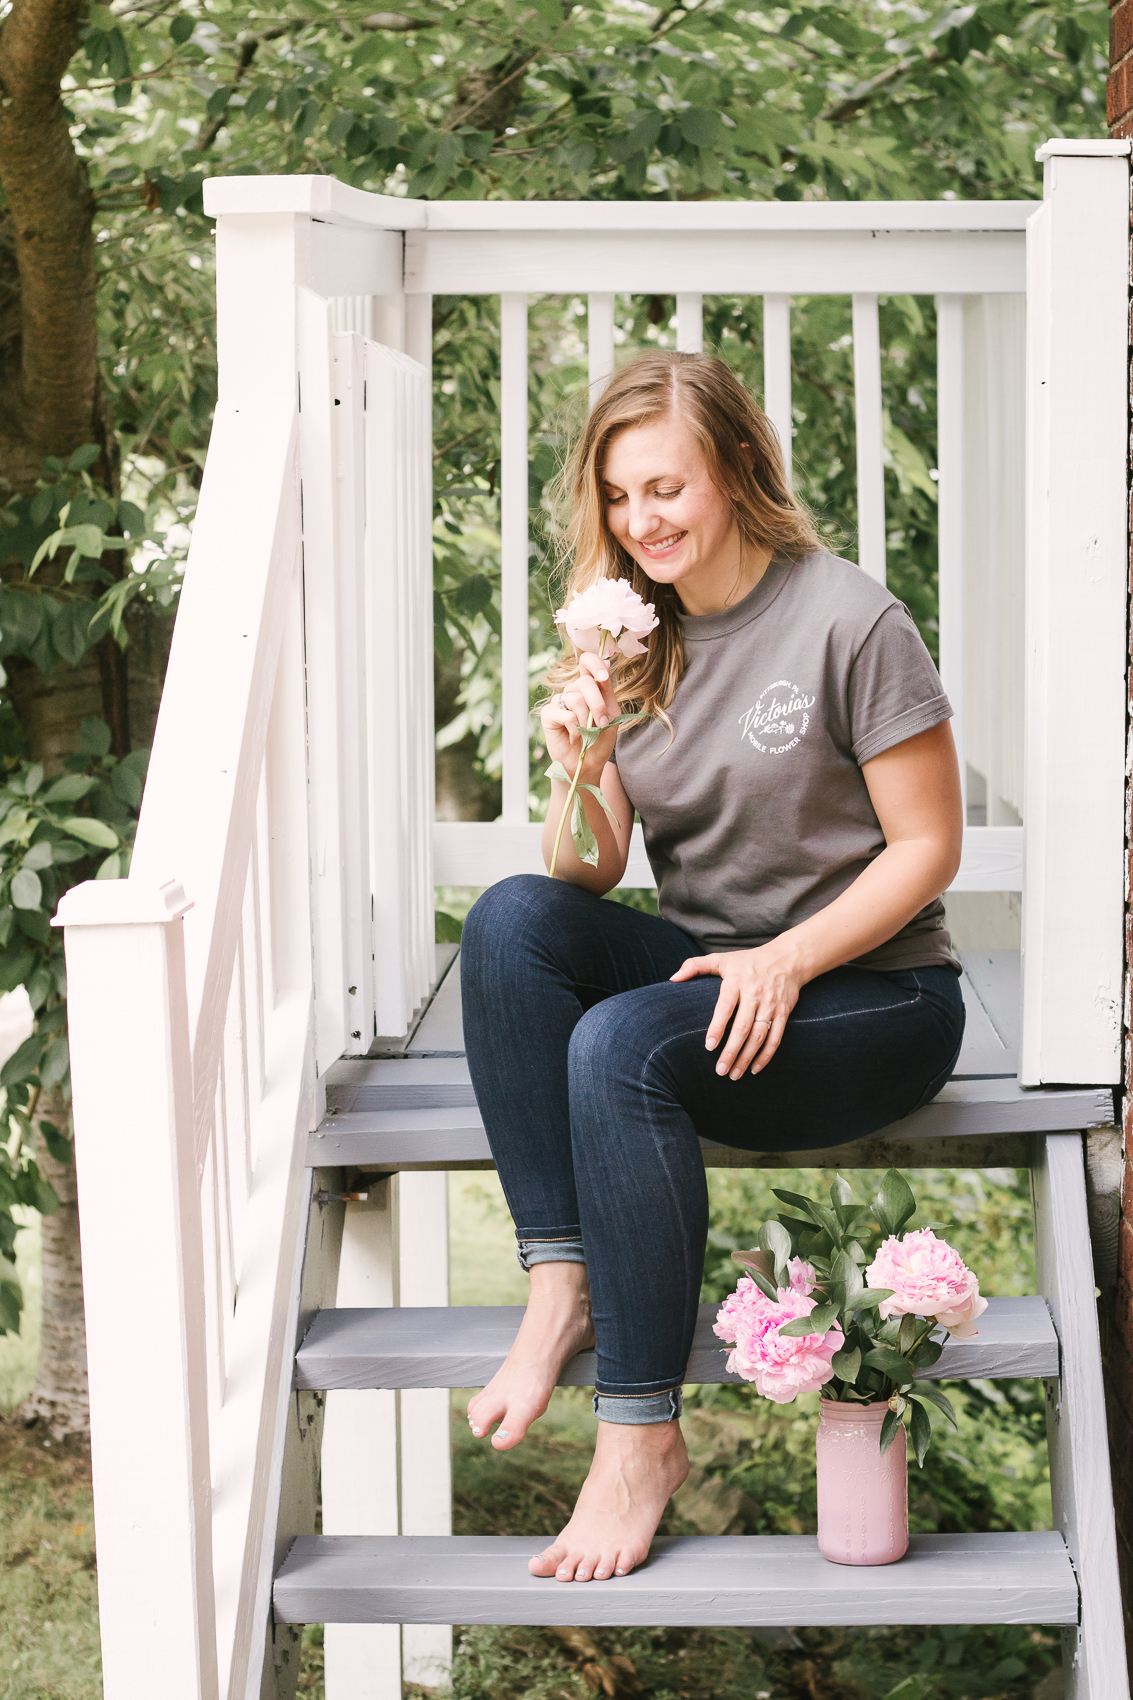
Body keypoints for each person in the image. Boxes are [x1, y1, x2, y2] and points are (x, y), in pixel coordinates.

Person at [460, 349, 965, 1585]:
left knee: (617, 1045)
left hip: (873, 990)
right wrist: (577, 758)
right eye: (622, 498)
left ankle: (637, 1439)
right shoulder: (631, 637)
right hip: (718, 971)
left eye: (667, 488)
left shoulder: (847, 617)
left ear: (737, 467)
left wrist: (788, 959)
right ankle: (560, 1279)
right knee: (508, 921)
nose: (643, 523)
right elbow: (585, 873)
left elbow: (927, 846)